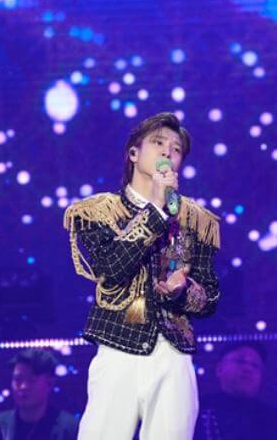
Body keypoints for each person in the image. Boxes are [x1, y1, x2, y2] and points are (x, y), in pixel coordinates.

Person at [64, 112, 220, 440]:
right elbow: (111, 269)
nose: (167, 152)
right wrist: (158, 209)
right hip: (119, 345)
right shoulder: (100, 211)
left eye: (176, 149)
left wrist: (183, 291)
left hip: (173, 353)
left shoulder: (195, 220)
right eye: (158, 142)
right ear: (134, 153)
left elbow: (209, 299)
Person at [194, 342, 277, 439]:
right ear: (219, 369)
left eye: (255, 365)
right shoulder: (197, 409)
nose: (248, 369)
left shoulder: (274, 420)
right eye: (240, 361)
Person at [0, 348, 78, 440]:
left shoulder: (69, 429)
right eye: (18, 379)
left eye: (31, 380)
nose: (23, 387)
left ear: (50, 383)